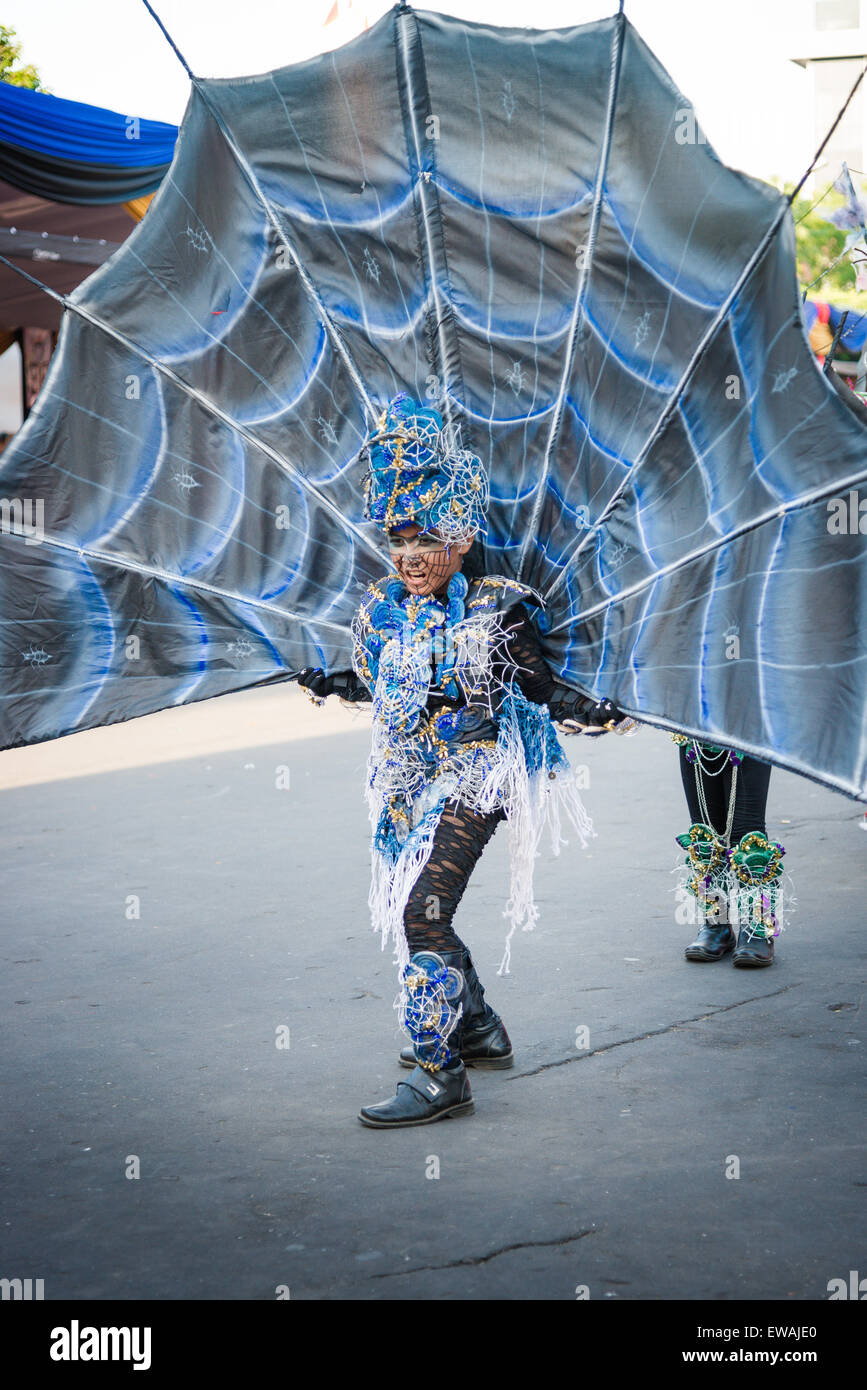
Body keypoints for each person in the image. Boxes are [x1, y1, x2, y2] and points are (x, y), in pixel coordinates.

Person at [295, 392, 625, 1128]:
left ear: (462, 532)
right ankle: (476, 1027)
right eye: (398, 539)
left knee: (420, 914)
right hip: (409, 778)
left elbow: (545, 692)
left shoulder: (498, 606)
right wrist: (328, 680)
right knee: (425, 906)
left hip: (479, 777)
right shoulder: (380, 607)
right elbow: (378, 687)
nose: (410, 556)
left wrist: (601, 709)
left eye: (426, 538)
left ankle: (439, 1074)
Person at [674, 737, 785, 968]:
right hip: (695, 724)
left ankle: (757, 927)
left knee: (748, 835)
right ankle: (716, 924)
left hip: (747, 725)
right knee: (705, 833)